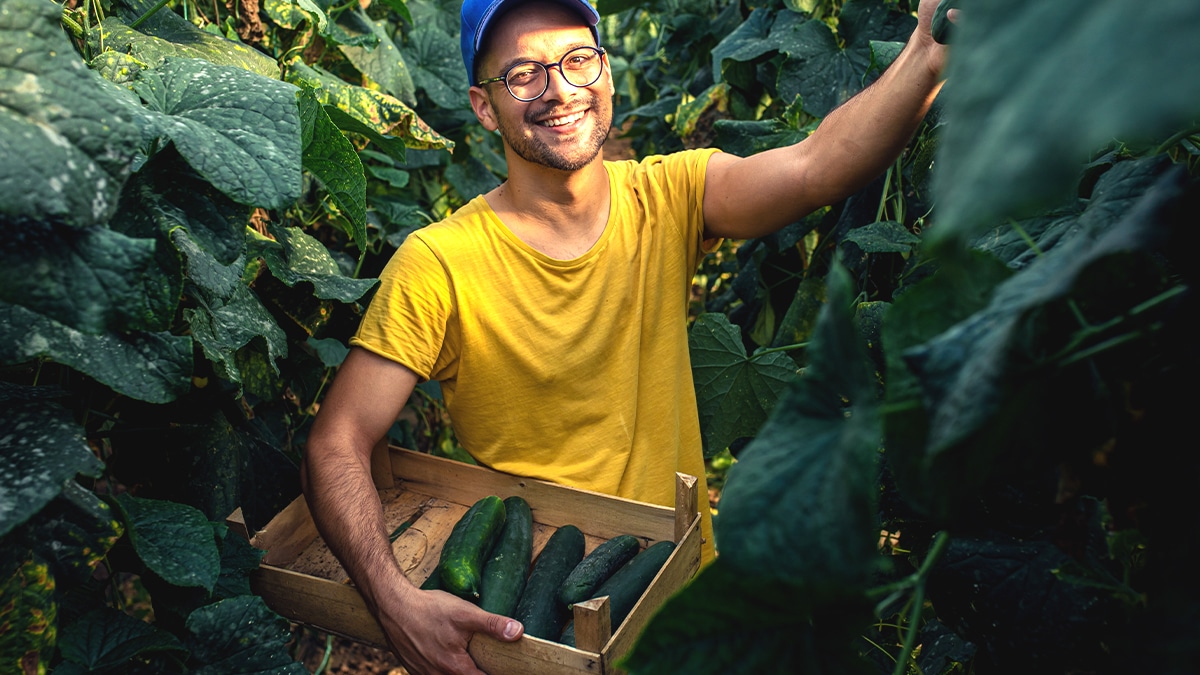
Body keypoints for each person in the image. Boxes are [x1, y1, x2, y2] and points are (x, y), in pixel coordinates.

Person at [301, 0, 953, 672]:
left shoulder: (666, 197)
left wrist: (928, 49)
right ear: (484, 106)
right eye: (522, 74)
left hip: (686, 600)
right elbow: (337, 439)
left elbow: (819, 166)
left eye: (578, 60)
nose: (559, 90)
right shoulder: (439, 263)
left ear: (605, 74)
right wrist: (392, 599)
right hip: (539, 628)